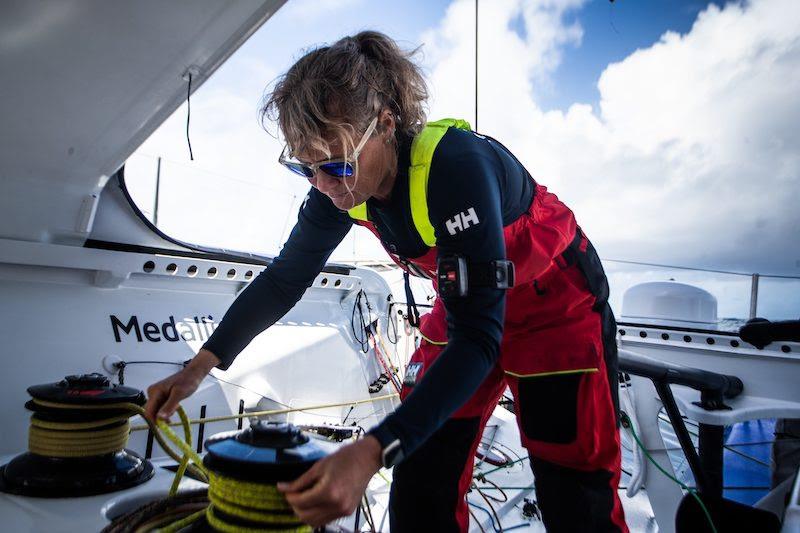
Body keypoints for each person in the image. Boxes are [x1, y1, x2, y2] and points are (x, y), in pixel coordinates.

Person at [144, 30, 627, 532]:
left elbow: (481, 338)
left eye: (335, 165)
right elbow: (286, 279)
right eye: (304, 169)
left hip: (556, 311)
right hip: (464, 306)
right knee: (419, 477)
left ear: (387, 125)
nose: (324, 187)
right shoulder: (341, 188)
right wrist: (200, 365)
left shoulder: (457, 166)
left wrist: (370, 451)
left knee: (574, 493)